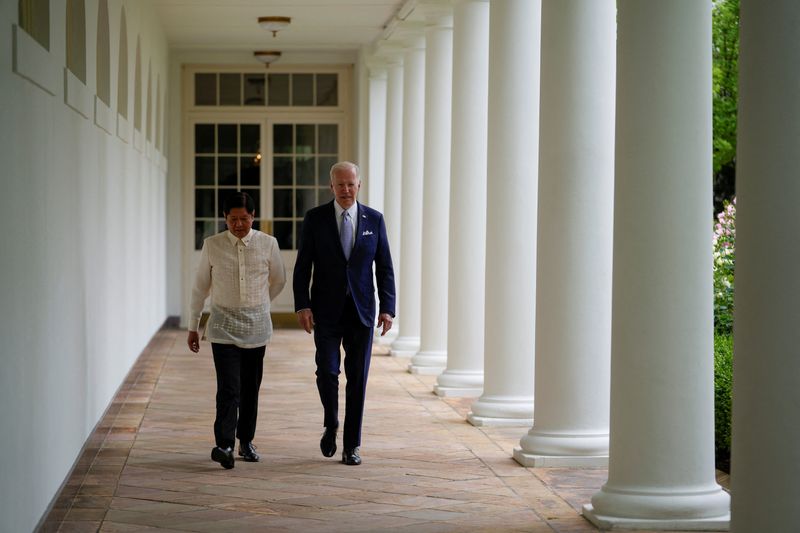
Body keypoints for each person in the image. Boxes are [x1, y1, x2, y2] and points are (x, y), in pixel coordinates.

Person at [293, 161, 395, 466]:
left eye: (351, 184)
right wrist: (302, 304)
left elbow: (385, 267)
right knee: (327, 371)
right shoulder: (315, 219)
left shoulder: (374, 220)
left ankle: (352, 445)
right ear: (331, 186)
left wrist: (388, 308)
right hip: (325, 310)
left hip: (362, 312)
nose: (346, 190)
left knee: (358, 378)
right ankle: (331, 422)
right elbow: (302, 266)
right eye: (340, 185)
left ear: (359, 185)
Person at [187, 191, 286, 469]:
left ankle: (246, 441)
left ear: (253, 217)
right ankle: (224, 444)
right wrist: (193, 326)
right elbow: (199, 288)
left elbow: (278, 281)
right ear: (225, 218)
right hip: (222, 326)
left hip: (256, 326)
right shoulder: (212, 244)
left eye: (244, 218)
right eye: (233, 219)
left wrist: (259, 302)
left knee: (250, 388)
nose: (239, 224)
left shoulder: (268, 244)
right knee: (229, 387)